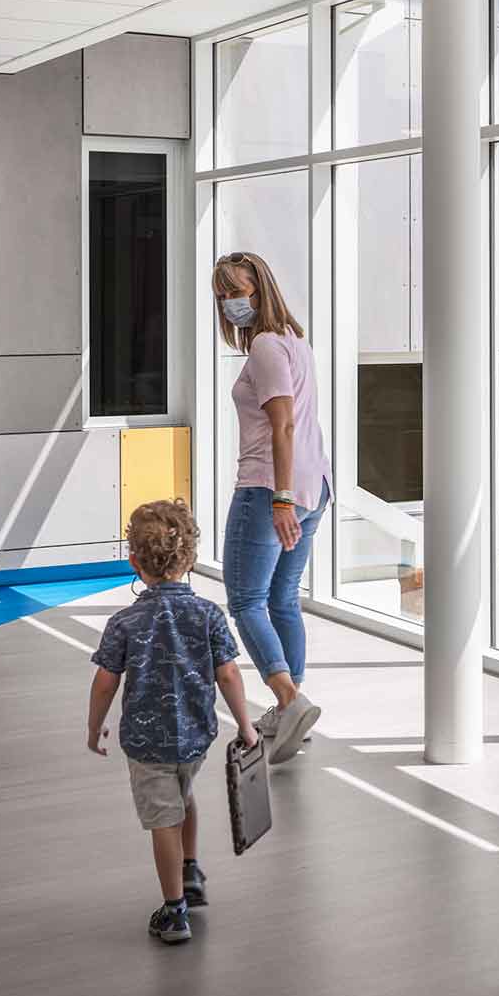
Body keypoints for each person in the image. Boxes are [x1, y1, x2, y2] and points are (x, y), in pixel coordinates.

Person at [86, 501, 257, 947]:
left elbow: (105, 682)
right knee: (184, 797)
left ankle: (174, 909)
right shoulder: (209, 615)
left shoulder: (124, 621)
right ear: (190, 560)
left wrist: (93, 728)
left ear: (134, 563)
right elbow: (230, 674)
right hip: (196, 735)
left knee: (164, 818)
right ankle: (190, 868)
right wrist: (246, 725)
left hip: (146, 742)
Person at [213, 252, 330, 765]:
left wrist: (280, 497)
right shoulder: (293, 338)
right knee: (283, 598)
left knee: (245, 602)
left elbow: (281, 424)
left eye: (238, 292)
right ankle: (291, 718)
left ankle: (289, 699)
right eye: (223, 294)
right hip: (315, 485)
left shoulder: (263, 344)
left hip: (269, 489)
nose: (231, 303)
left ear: (261, 289)